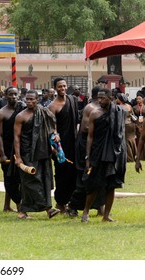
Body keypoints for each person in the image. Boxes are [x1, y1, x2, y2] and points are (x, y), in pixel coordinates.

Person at [14, 90, 60, 220]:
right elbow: (16, 138)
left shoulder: (44, 112)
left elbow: (53, 126)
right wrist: (18, 157)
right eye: (27, 99)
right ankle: (48, 208)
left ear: (37, 99)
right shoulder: (21, 116)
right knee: (31, 181)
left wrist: (56, 135)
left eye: (32, 99)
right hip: (27, 153)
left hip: (43, 151)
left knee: (44, 180)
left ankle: (23, 211)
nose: (29, 102)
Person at [81, 88, 126, 222]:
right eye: (98, 98)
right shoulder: (95, 114)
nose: (100, 100)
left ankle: (106, 216)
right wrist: (88, 156)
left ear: (110, 97)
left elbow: (120, 134)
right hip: (98, 152)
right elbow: (90, 137)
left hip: (113, 153)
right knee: (94, 183)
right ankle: (86, 211)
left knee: (111, 185)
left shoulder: (119, 112)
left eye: (103, 98)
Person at [67, 86, 105, 217]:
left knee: (100, 176)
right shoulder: (90, 108)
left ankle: (100, 206)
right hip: (85, 147)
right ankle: (73, 205)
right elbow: (85, 128)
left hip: (99, 147)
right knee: (85, 178)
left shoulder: (104, 108)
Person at [48, 77, 79, 213]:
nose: (63, 89)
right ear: (55, 88)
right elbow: (51, 126)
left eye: (65, 86)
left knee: (73, 173)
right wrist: (55, 135)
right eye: (60, 86)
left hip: (74, 142)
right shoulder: (52, 106)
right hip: (60, 146)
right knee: (61, 174)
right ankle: (60, 202)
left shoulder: (72, 100)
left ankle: (71, 201)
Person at [0, 86, 26, 212]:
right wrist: (2, 154)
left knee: (20, 178)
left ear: (18, 95)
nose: (13, 97)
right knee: (9, 178)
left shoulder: (23, 108)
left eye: (15, 94)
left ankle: (9, 205)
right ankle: (18, 204)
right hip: (8, 148)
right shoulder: (1, 113)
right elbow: (0, 135)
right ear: (6, 96)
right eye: (10, 94)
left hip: (22, 147)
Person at [116, 93, 137, 162]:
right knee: (132, 140)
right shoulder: (129, 106)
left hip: (125, 124)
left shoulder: (119, 107)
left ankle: (129, 158)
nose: (116, 99)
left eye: (117, 98)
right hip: (131, 124)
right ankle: (134, 155)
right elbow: (133, 115)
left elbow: (118, 118)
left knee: (125, 141)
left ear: (120, 100)